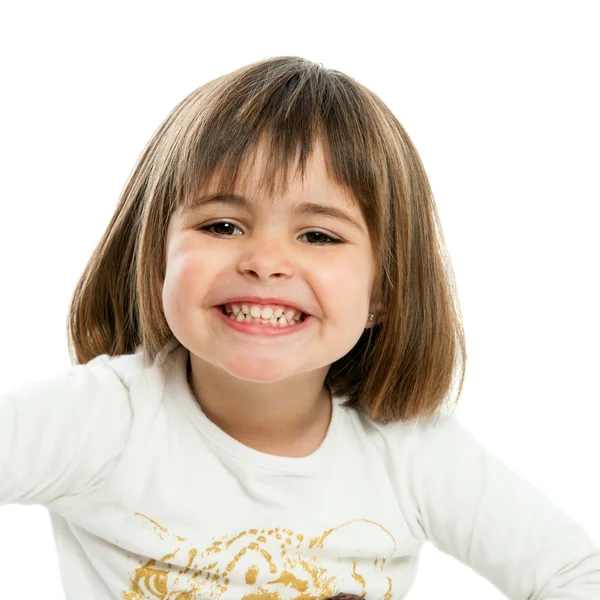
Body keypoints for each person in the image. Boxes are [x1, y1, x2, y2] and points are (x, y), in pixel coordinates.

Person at [1, 56, 598, 599]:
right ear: (156, 256)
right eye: (222, 226)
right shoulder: (102, 420)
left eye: (318, 235)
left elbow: (574, 574)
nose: (265, 260)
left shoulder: (410, 451)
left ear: (384, 289)